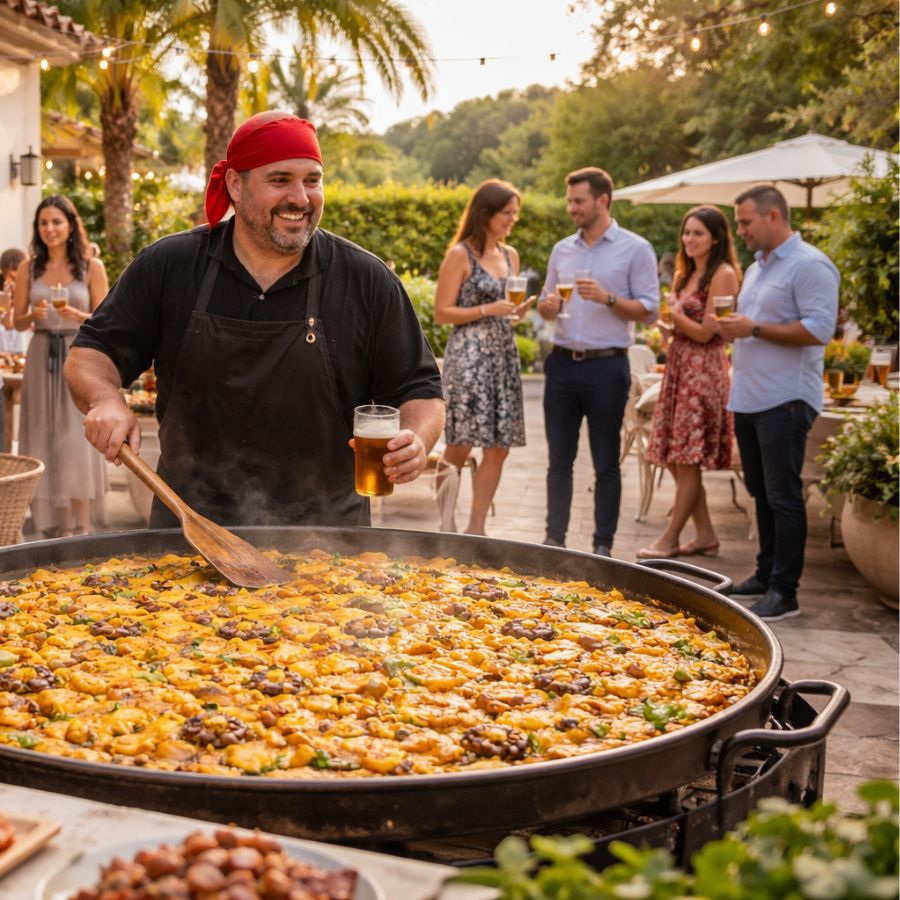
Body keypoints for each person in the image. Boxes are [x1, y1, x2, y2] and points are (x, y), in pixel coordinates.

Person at [65, 111, 444, 529]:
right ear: (234, 185)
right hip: (188, 532)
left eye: (312, 180)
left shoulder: (366, 280)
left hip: (331, 545)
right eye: (280, 180)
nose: (300, 197)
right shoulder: (169, 265)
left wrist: (416, 440)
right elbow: (90, 354)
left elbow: (419, 389)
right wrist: (105, 400)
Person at [718, 185, 839, 620]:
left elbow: (819, 330)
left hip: (785, 399)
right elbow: (755, 326)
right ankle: (765, 574)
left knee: (784, 496)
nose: (741, 230)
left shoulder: (810, 265)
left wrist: (752, 329)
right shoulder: (756, 268)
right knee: (760, 492)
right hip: (750, 397)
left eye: (746, 222)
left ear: (774, 216)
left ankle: (785, 592)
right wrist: (740, 329)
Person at [537, 167, 659, 557]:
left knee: (606, 461)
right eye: (570, 200)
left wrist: (607, 298)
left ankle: (602, 547)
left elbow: (650, 311)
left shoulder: (636, 248)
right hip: (561, 364)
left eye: (579, 201)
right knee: (559, 459)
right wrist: (549, 306)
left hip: (607, 367)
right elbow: (546, 306)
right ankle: (554, 540)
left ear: (603, 200)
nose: (572, 207)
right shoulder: (562, 250)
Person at [638, 206, 741, 559]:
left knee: (686, 457)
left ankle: (669, 538)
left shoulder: (723, 273)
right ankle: (706, 535)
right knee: (673, 455)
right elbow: (684, 331)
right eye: (686, 232)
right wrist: (669, 329)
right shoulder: (686, 274)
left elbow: (708, 332)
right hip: (680, 367)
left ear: (716, 236)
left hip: (703, 371)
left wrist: (677, 316)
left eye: (698, 233)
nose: (690, 239)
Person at [433, 179, 531, 535]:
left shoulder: (511, 255)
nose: (512, 220)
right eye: (507, 213)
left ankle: (476, 528)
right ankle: (446, 524)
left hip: (503, 357)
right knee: (460, 445)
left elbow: (511, 311)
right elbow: (442, 312)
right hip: (469, 358)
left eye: (515, 213)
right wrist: (487, 309)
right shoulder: (460, 255)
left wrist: (519, 312)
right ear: (486, 213)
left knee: (498, 446)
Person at [12, 196, 109, 536]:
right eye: (43, 223)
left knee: (75, 437)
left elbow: (106, 318)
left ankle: (81, 527)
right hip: (40, 355)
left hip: (78, 352)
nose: (50, 229)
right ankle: (53, 524)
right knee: (42, 433)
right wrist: (32, 315)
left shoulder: (90, 266)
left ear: (70, 225)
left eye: (56, 222)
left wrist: (79, 316)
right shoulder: (29, 267)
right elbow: (17, 322)